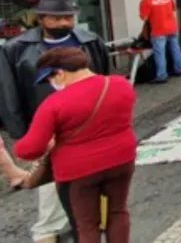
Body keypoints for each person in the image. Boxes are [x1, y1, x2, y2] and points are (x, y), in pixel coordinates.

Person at [0, 0, 110, 243]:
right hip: (45, 126)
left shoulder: (91, 41)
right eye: (57, 17)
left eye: (69, 17)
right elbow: (9, 92)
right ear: (41, 19)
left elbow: (104, 80)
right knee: (51, 183)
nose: (64, 22)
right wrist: (20, 133)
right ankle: (47, 231)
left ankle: (84, 221)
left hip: (87, 123)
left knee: (91, 176)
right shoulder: (15, 48)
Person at [15, 47, 137, 243]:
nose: (51, 84)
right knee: (118, 211)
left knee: (87, 225)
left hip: (79, 172)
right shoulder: (121, 85)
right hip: (122, 160)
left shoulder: (54, 103)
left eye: (50, 79)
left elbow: (29, 150)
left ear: (60, 73)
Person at [139, 0, 181, 83]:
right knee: (175, 49)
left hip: (158, 30)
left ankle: (162, 76)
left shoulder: (145, 1)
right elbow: (173, 9)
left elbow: (144, 18)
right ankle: (179, 70)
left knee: (159, 53)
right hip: (172, 28)